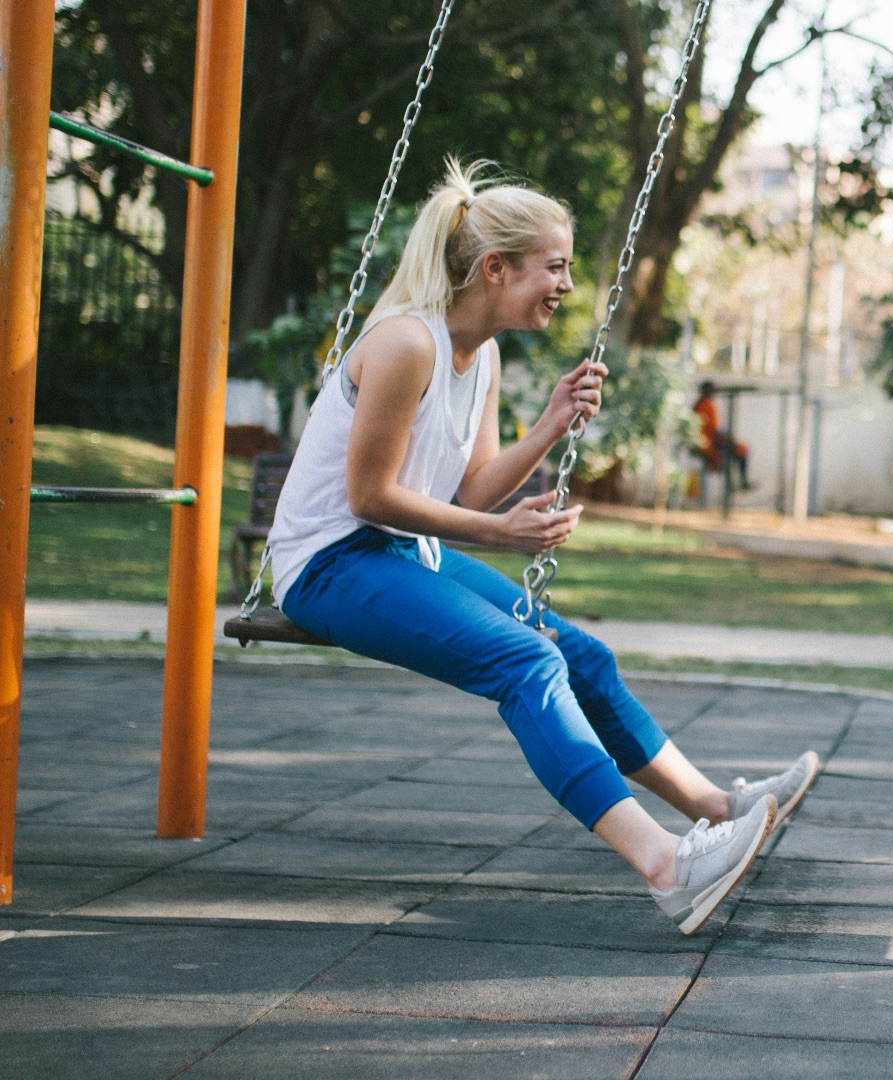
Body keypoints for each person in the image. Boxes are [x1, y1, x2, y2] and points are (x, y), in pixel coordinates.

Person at [268, 160, 819, 935]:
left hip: (397, 556)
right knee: (526, 662)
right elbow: (369, 498)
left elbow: (474, 490)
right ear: (496, 268)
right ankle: (666, 865)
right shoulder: (404, 343)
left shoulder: (482, 355)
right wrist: (499, 535)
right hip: (330, 563)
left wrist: (552, 422)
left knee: (580, 655)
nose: (564, 283)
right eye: (553, 266)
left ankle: (719, 807)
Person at [693, 381, 750, 490]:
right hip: (708, 443)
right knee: (731, 453)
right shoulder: (704, 405)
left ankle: (738, 484)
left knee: (740, 450)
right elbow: (711, 429)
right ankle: (735, 485)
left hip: (711, 440)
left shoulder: (704, 404)